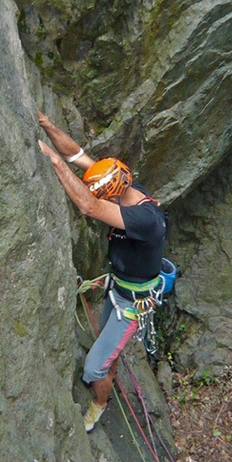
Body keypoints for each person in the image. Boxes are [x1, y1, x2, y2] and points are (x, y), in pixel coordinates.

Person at [38, 109, 167, 433]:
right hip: (117, 287)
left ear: (112, 194)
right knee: (104, 346)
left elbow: (89, 206)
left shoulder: (145, 220)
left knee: (94, 368)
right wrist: (47, 125)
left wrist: (54, 162)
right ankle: (108, 362)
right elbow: (80, 156)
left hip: (131, 305)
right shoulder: (125, 186)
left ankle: (99, 402)